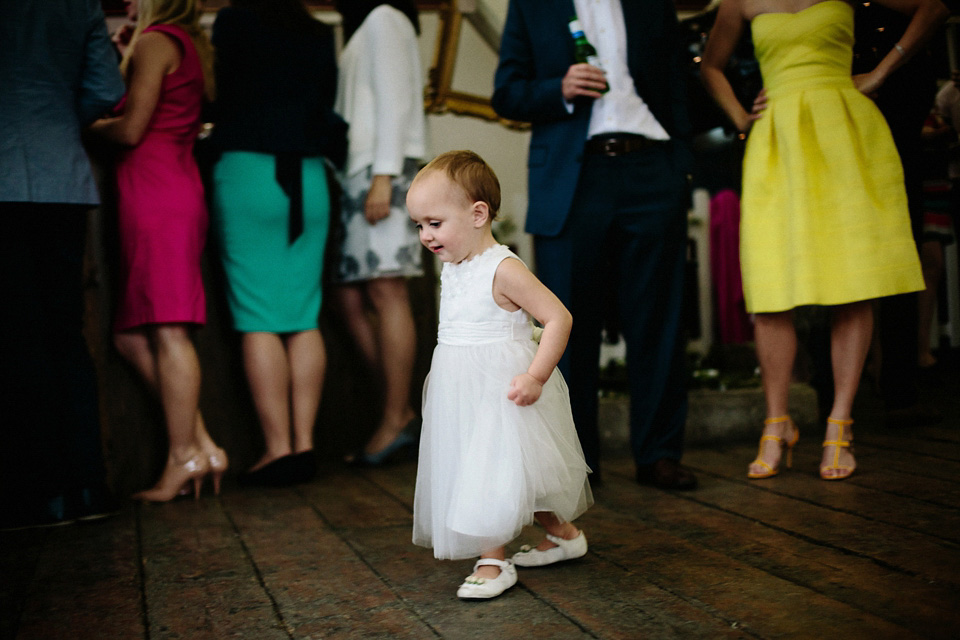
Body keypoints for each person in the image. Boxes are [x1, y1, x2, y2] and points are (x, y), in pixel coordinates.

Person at [700, 0, 946, 480]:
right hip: (777, 141)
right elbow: (711, 66)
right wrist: (740, 117)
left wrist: (879, 71)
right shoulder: (740, 0)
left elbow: (933, 8)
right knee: (771, 289)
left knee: (850, 284)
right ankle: (777, 424)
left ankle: (840, 426)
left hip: (845, 134)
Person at [493, 0, 697, 489]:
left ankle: (660, 453)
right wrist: (557, 88)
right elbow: (507, 93)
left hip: (651, 168)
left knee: (659, 321)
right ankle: (577, 461)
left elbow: (678, 82)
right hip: (572, 177)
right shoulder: (530, 6)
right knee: (566, 323)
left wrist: (679, 168)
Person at [409, 151, 593, 600]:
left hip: (502, 390)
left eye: (434, 223)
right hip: (459, 389)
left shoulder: (503, 268)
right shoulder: (455, 265)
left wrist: (535, 376)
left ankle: (492, 559)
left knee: (490, 471)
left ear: (477, 214)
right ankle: (564, 535)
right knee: (503, 475)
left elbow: (558, 318)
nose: (425, 236)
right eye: (418, 225)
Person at [90, 0, 226, 501]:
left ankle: (181, 456)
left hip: (156, 193)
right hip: (170, 188)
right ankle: (203, 445)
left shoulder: (156, 41)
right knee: (131, 335)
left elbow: (130, 129)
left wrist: (84, 127)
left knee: (168, 329)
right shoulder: (189, 44)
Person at [208, 0, 345, 487]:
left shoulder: (234, 20)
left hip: (248, 173)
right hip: (308, 177)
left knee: (257, 315)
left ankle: (277, 447)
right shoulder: (317, 31)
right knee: (303, 314)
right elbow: (325, 106)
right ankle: (304, 446)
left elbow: (218, 91)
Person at [0, 0, 125, 530]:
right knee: (65, 335)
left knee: (16, 339)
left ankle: (35, 494)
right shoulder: (78, 5)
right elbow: (107, 88)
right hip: (60, 178)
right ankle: (86, 487)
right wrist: (50, 117)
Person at [331, 0, 427, 466]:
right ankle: (400, 408)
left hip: (382, 171)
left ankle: (394, 417)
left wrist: (385, 175)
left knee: (388, 292)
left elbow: (395, 101)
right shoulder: (369, 23)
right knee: (352, 298)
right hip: (363, 171)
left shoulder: (385, 17)